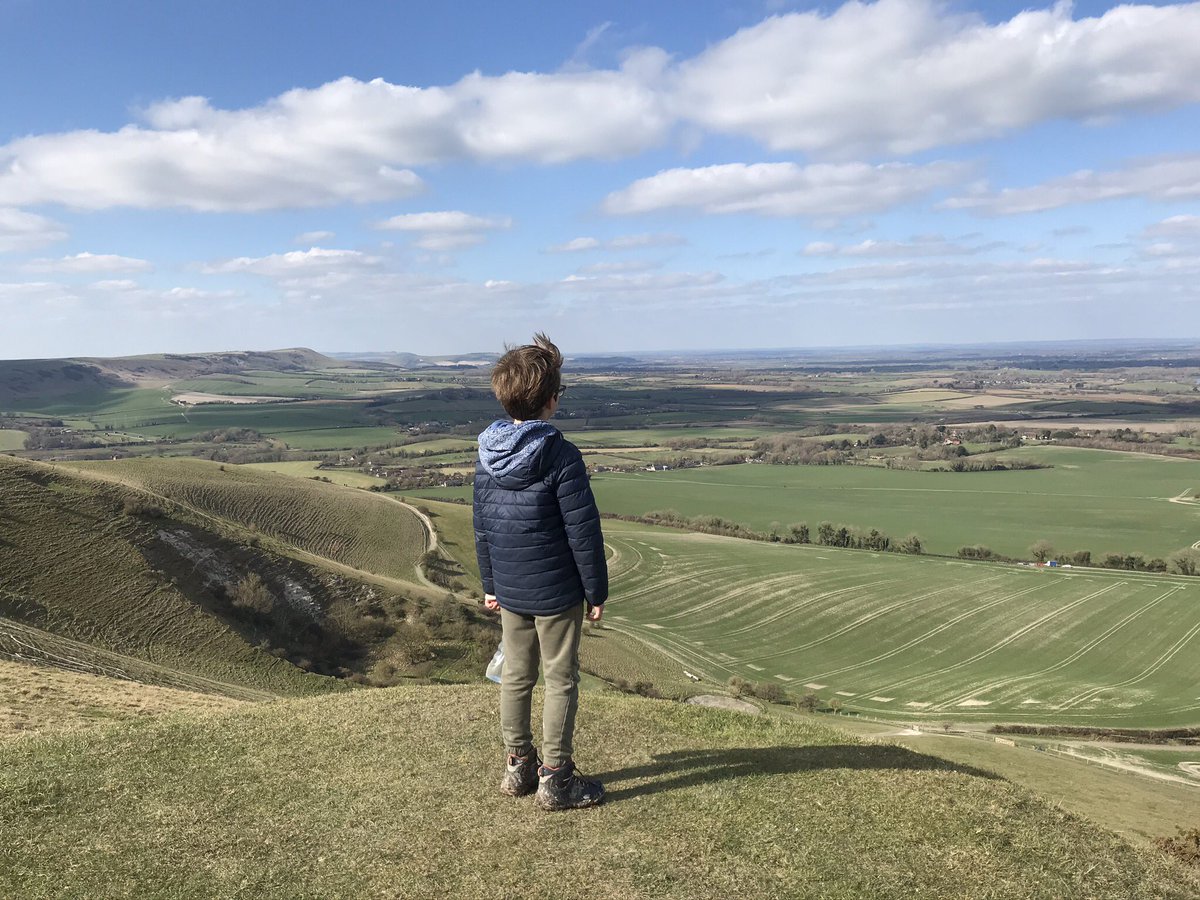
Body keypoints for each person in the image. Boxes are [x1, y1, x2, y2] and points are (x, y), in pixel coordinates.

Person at [473, 332, 608, 811]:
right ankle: (556, 779)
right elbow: (583, 533)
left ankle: (517, 768)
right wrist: (595, 591)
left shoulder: (487, 454)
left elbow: (482, 528)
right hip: (556, 591)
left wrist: (490, 585)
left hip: (509, 587)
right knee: (561, 679)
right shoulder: (561, 455)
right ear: (551, 400)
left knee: (515, 675)